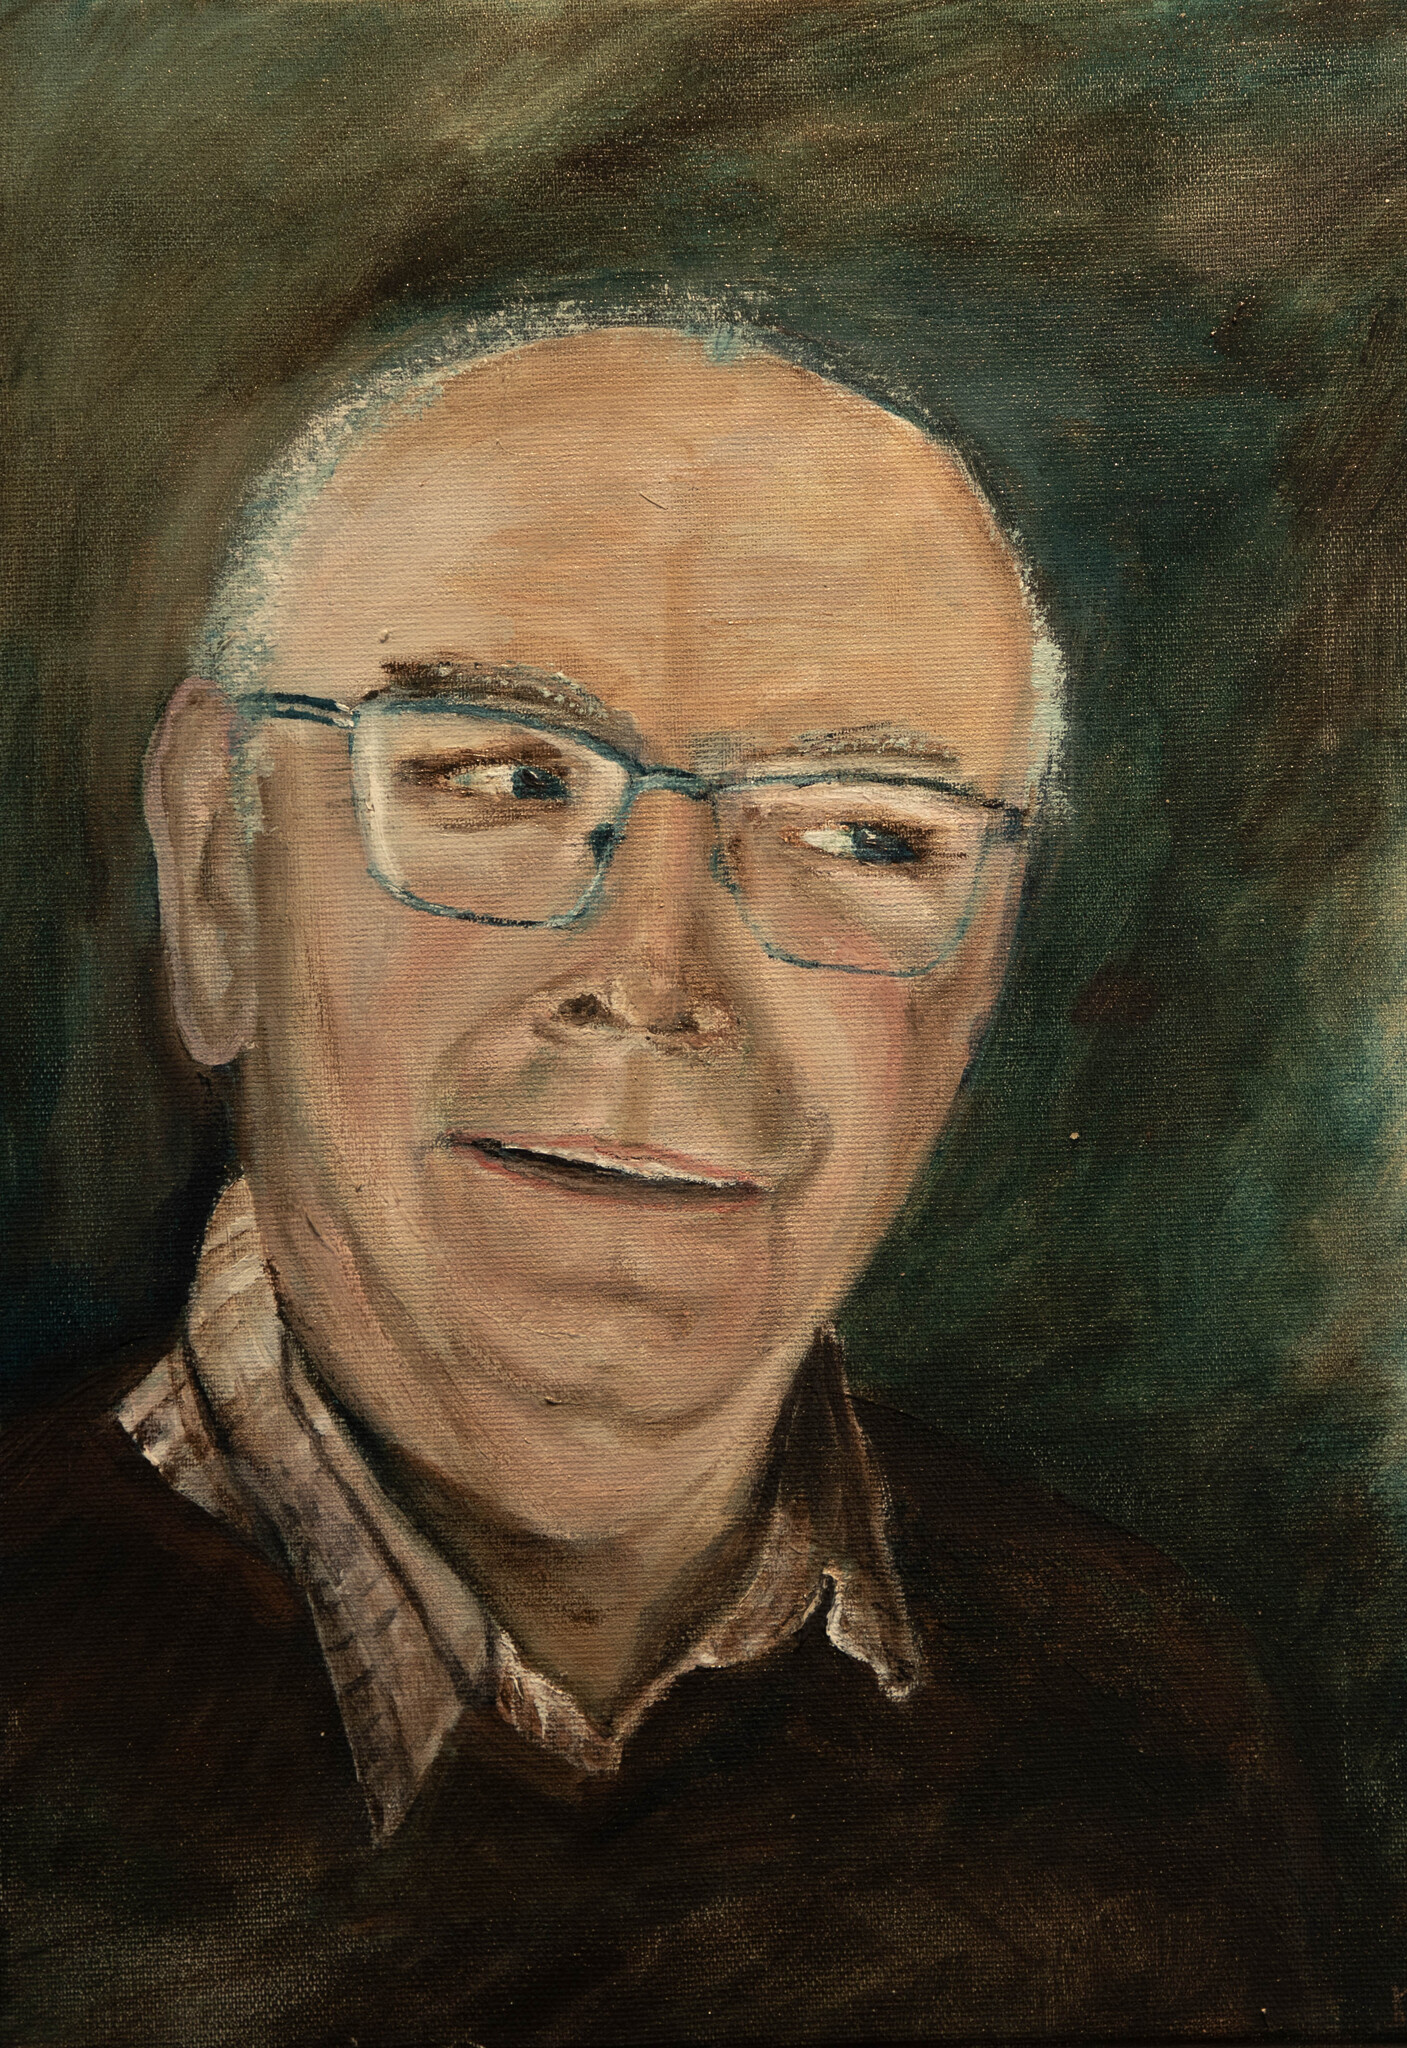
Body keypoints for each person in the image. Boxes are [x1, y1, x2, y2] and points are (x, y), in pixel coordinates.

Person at [2, 321, 1328, 2044]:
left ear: (982, 970)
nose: (656, 976)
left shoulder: (1151, 1734)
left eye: (864, 830)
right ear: (217, 869)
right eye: (503, 776)